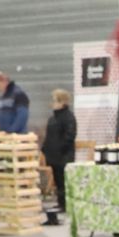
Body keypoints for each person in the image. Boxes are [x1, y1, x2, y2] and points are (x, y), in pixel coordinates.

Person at [41, 88, 76, 223]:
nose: (52, 103)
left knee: (64, 180)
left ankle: (66, 204)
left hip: (64, 155)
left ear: (63, 102)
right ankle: (61, 203)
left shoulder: (68, 117)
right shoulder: (52, 117)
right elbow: (49, 135)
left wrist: (60, 148)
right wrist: (44, 149)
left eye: (55, 100)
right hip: (53, 155)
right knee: (57, 180)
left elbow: (70, 135)